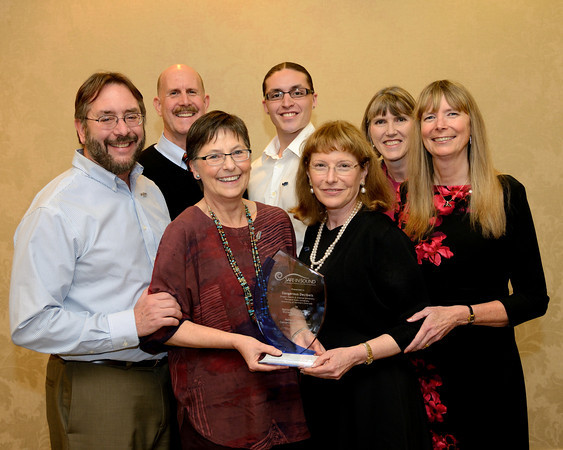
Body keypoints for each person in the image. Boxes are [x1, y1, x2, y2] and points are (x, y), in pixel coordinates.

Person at [9, 72, 183, 449]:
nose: (122, 129)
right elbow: (30, 323)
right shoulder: (56, 210)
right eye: (106, 118)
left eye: (132, 116)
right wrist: (130, 324)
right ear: (80, 128)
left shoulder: (150, 191)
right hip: (98, 387)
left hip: (165, 379)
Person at [140, 111, 310, 449]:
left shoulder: (277, 222)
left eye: (238, 152)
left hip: (283, 401)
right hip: (218, 412)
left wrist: (305, 336)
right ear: (193, 167)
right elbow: (164, 327)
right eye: (213, 157)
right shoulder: (183, 232)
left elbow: (289, 304)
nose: (229, 165)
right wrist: (235, 342)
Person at [397, 80, 549, 448]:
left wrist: (459, 315)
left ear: (471, 125)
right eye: (429, 116)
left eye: (452, 113)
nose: (440, 124)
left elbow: (533, 298)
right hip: (422, 373)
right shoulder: (407, 198)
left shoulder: (505, 193)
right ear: (420, 131)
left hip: (487, 372)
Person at [292, 120, 431, 449]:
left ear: (364, 172)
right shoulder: (315, 232)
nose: (331, 178)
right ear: (308, 174)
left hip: (377, 398)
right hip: (327, 394)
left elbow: (418, 324)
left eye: (343, 166)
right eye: (321, 166)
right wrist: (300, 331)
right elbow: (304, 304)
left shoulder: (382, 236)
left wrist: (355, 355)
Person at [248, 62, 318, 252]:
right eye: (276, 95)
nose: (287, 103)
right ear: (265, 105)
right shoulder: (252, 171)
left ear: (314, 99)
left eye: (297, 93)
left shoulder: (329, 163)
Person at [139, 64, 209, 219]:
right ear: (158, 106)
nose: (184, 101)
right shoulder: (138, 172)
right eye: (174, 93)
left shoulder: (226, 165)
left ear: (206, 103)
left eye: (192, 92)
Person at [361, 86, 415, 218]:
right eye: (380, 122)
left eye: (400, 119)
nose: (391, 131)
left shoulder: (440, 181)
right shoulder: (362, 181)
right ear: (369, 132)